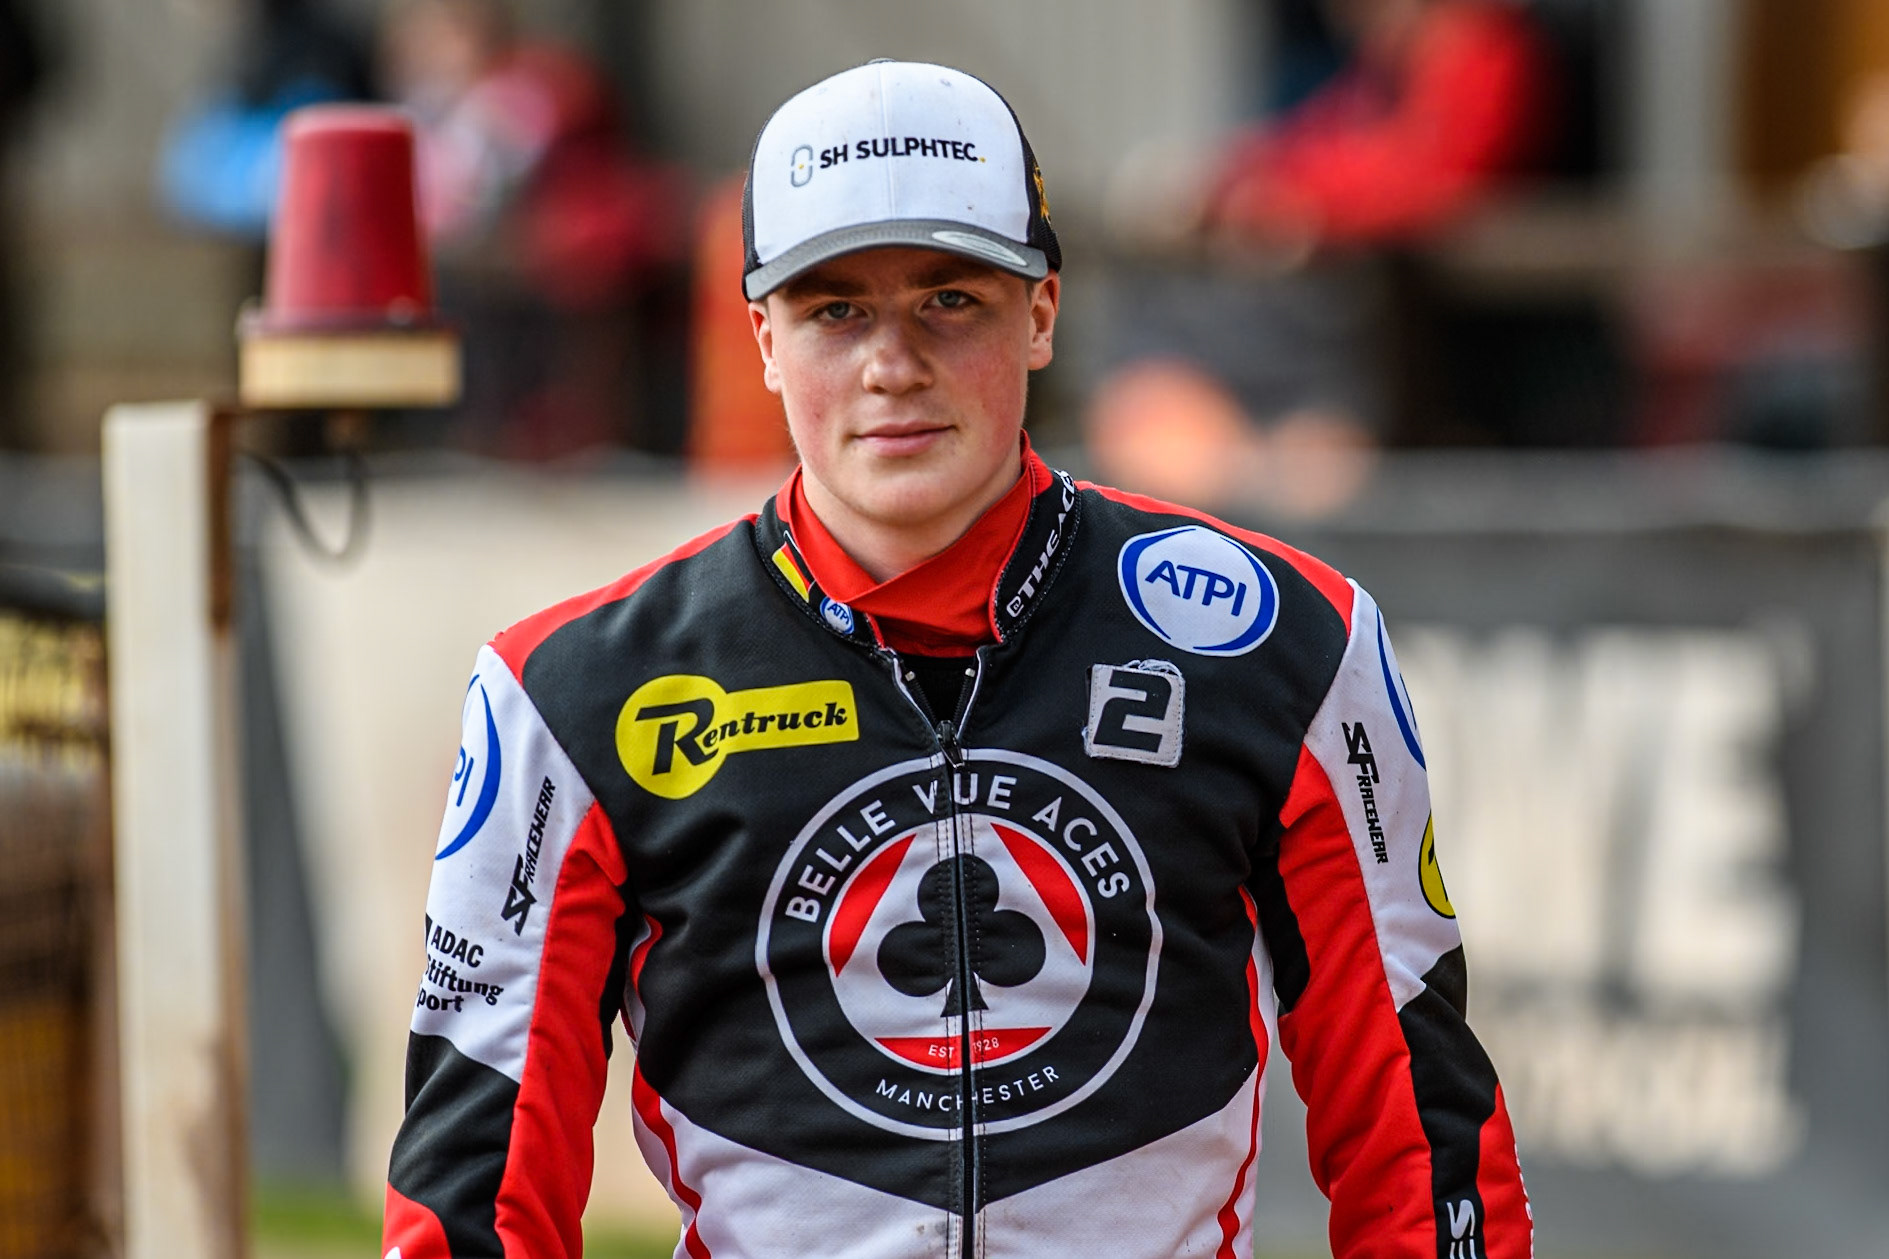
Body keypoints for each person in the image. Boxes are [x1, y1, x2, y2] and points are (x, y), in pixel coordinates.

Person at [382, 59, 1530, 1258]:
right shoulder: (565, 693)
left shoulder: (1288, 639)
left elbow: (1419, 1130)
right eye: (834, 310)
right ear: (760, 339)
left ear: (1040, 313)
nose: (892, 364)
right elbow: (474, 1186)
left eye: (949, 300)